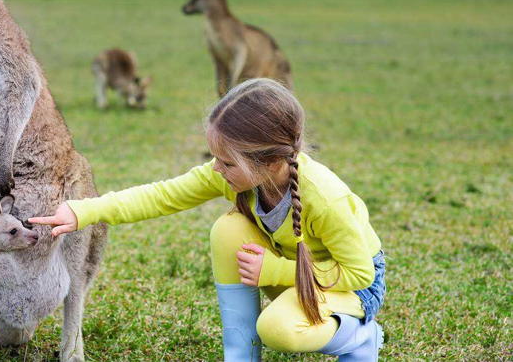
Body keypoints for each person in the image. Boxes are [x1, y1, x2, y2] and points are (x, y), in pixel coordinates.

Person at [30, 78, 386, 361]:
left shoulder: (325, 198)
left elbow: (358, 275)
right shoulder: (236, 176)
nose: (217, 169)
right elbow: (160, 196)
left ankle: (360, 338)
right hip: (291, 271)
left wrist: (276, 271)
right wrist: (84, 210)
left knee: (277, 329)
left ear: (270, 162)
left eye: (227, 162)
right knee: (228, 228)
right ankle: (241, 357)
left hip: (352, 288)